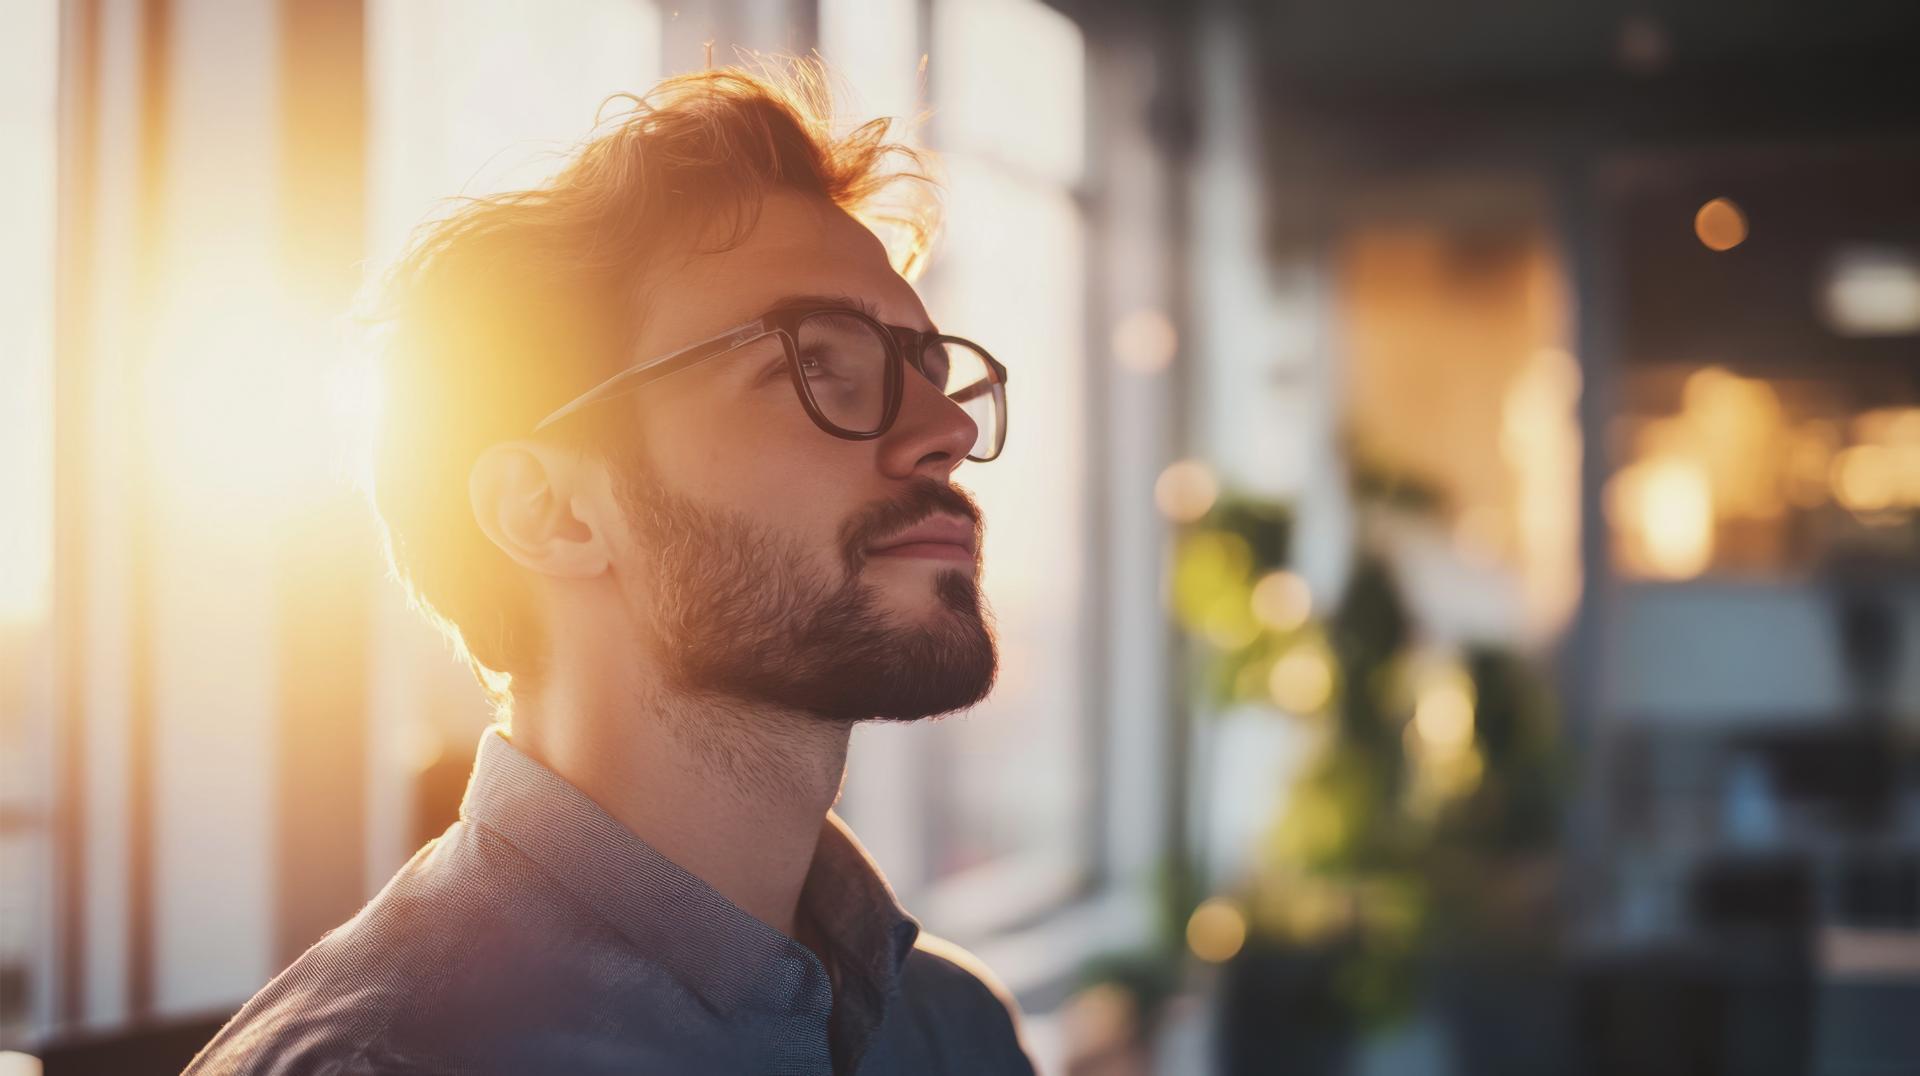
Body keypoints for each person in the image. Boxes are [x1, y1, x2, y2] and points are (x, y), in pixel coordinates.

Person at [185, 62, 1032, 1075]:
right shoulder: (390, 1062)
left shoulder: (952, 1031)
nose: (945, 427)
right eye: (813, 362)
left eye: (931, 371)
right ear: (551, 512)